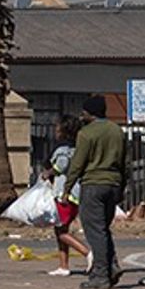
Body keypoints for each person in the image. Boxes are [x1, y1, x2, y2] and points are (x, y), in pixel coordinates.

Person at [61, 95, 128, 289]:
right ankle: (112, 266)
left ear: (90, 113)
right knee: (103, 229)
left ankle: (100, 275)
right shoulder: (117, 131)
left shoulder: (86, 134)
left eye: (84, 112)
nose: (82, 116)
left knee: (94, 231)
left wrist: (67, 189)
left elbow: (77, 163)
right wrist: (122, 187)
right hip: (113, 184)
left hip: (93, 184)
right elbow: (126, 162)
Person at [43, 115, 91, 276]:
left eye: (57, 128)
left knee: (61, 231)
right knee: (61, 229)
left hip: (65, 194)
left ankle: (88, 254)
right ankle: (63, 266)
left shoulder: (62, 149)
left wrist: (49, 172)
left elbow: (61, 165)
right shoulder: (78, 147)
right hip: (75, 193)